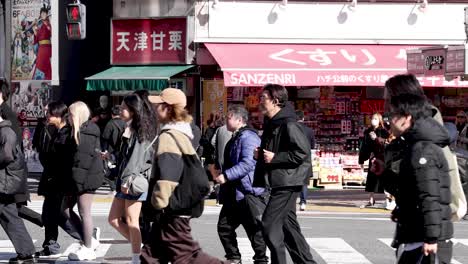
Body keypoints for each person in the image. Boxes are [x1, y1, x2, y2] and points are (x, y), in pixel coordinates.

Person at [145, 88, 227, 264]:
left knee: (187, 257)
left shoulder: (169, 136)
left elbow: (169, 175)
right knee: (151, 255)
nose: (154, 109)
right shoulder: (182, 133)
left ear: (167, 109)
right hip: (175, 207)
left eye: (158, 105)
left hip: (172, 208)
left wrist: (158, 202)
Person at [253, 84, 316, 264]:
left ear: (276, 101)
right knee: (289, 230)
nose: (260, 101)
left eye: (263, 98)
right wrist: (261, 154)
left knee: (269, 224)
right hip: (281, 180)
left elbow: (302, 152)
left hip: (288, 182)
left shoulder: (289, 123)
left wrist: (275, 157)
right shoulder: (274, 123)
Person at [387, 93, 453, 264]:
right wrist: (383, 174)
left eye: (393, 115)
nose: (389, 120)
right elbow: (411, 190)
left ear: (407, 118)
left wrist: (431, 238)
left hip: (423, 240)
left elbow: (430, 196)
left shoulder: (423, 149)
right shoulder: (415, 145)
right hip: (417, 235)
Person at [213, 105, 268, 264]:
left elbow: (248, 163)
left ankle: (261, 259)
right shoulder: (236, 136)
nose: (226, 120)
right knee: (224, 227)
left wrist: (226, 175)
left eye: (228, 117)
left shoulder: (248, 137)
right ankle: (234, 257)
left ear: (239, 119)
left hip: (247, 191)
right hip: (234, 191)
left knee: (253, 228)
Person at [108, 94, 157, 264]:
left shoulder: (141, 132)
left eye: (124, 108)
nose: (121, 110)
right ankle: (144, 248)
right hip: (126, 180)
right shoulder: (130, 128)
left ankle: (137, 258)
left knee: (131, 220)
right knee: (113, 219)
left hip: (133, 181)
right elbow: (125, 157)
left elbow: (136, 161)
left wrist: (126, 181)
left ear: (134, 111)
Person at [35, 101, 82, 258]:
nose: (46, 115)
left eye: (49, 113)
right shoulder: (47, 128)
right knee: (48, 213)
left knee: (59, 214)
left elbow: (67, 160)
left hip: (61, 180)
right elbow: (40, 147)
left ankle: (86, 235)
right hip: (50, 178)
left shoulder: (68, 133)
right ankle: (51, 245)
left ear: (58, 115)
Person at [62, 101, 104, 261]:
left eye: (71, 115)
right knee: (65, 209)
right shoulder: (77, 130)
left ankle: (88, 248)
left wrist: (77, 185)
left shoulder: (86, 132)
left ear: (77, 115)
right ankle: (90, 238)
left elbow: (83, 161)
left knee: (84, 211)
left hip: (87, 178)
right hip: (79, 178)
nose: (68, 118)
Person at [0, 108, 36, 264]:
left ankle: (26, 252)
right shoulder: (5, 131)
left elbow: (7, 155)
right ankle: (26, 251)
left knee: (9, 216)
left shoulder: (6, 132)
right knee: (9, 215)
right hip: (4, 180)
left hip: (5, 181)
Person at [358, 113, 389, 208]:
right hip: (373, 157)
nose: (373, 120)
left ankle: (388, 199)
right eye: (372, 118)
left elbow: (386, 144)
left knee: (385, 178)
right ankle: (371, 199)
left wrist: (376, 138)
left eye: (375, 119)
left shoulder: (384, 131)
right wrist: (362, 160)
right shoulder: (368, 131)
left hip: (382, 157)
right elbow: (364, 146)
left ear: (380, 120)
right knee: (371, 179)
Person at [101, 105, 126, 191]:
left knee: (111, 169)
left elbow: (105, 139)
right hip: (123, 150)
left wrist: (104, 151)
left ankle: (113, 184)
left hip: (112, 151)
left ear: (112, 114)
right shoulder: (126, 123)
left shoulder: (110, 123)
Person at [296, 110, 315, 211]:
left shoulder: (291, 129)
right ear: (303, 118)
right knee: (304, 183)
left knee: (293, 181)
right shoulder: (309, 131)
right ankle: (303, 202)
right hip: (306, 159)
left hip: (293, 158)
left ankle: (292, 201)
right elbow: (312, 146)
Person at [32, 4, 51, 80]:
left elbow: (50, 31)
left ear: (46, 14)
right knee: (42, 64)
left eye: (44, 13)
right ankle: (46, 80)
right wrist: (34, 28)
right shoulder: (39, 25)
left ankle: (39, 82)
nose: (43, 15)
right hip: (41, 48)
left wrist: (45, 23)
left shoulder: (48, 23)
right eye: (42, 13)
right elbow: (37, 38)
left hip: (46, 48)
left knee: (41, 64)